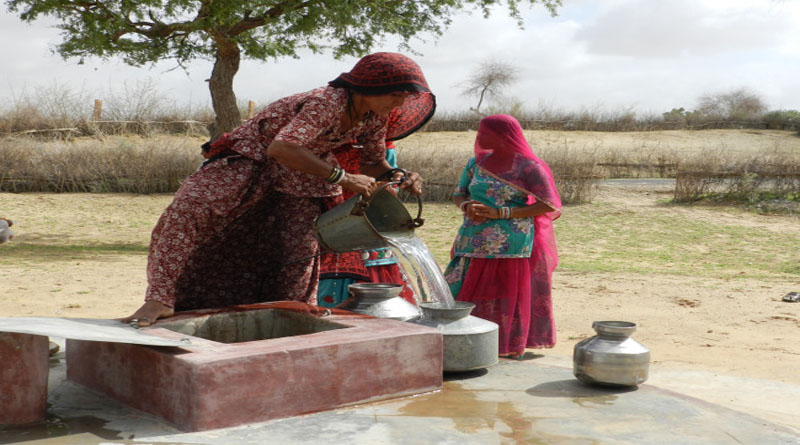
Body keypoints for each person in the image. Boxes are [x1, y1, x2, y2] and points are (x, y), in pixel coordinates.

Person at [123, 52, 435, 327]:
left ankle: (292, 314)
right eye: (396, 95)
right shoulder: (327, 103)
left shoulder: (372, 117)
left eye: (405, 98)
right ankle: (160, 298)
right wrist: (342, 177)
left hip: (301, 177)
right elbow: (282, 148)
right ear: (369, 88)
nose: (399, 104)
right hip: (249, 162)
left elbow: (372, 161)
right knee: (188, 213)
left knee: (299, 250)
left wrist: (400, 174)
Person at [443, 114, 561, 359]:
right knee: (459, 285)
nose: (479, 137)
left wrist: (503, 213)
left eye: (484, 132)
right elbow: (458, 193)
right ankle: (457, 339)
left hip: (510, 242)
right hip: (472, 238)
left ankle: (500, 344)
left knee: (503, 292)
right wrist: (466, 206)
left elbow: (549, 204)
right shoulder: (475, 163)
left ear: (503, 135)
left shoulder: (529, 166)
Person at [317, 141, 416, 308]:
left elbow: (387, 188)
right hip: (326, 225)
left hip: (369, 228)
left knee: (381, 309)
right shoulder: (312, 139)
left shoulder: (381, 144)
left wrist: (397, 178)